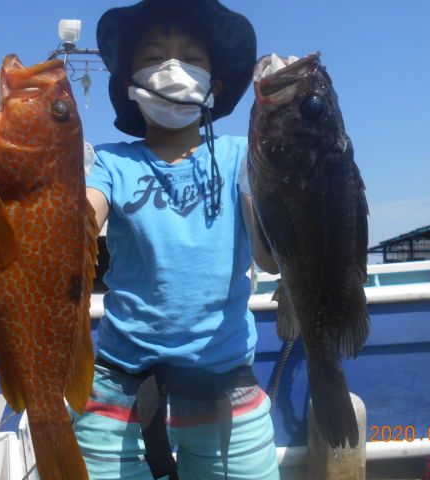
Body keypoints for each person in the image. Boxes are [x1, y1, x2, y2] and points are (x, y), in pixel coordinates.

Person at [74, 0, 280, 478]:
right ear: (129, 86)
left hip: (225, 381)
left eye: (190, 57)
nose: (171, 68)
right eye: (152, 57)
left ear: (216, 83)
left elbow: (271, 258)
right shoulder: (108, 162)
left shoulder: (243, 155)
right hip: (117, 384)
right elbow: (73, 228)